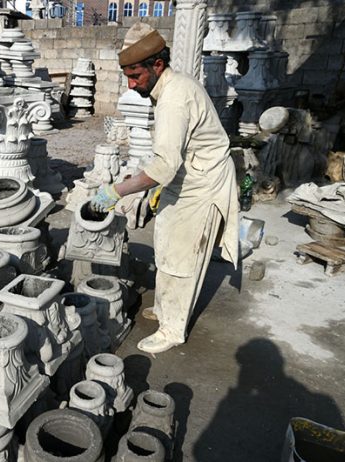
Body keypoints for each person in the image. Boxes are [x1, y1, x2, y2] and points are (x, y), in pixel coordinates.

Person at [89, 24, 239, 354]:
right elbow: (167, 157)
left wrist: (117, 190)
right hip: (186, 175)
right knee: (166, 243)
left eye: (136, 75)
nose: (131, 84)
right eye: (127, 76)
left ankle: (173, 328)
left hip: (202, 183)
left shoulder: (174, 98)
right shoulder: (169, 87)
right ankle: (167, 306)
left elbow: (163, 166)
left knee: (181, 257)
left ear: (158, 65)